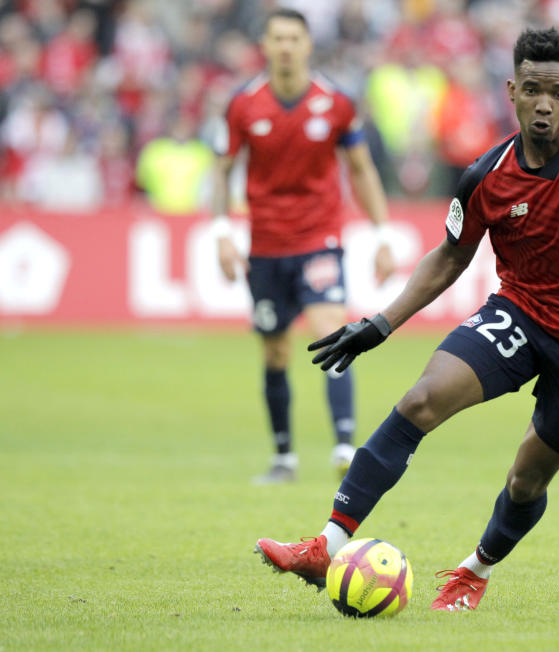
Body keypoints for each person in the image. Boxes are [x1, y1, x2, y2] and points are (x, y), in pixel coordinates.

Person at [254, 27, 559, 610]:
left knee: (528, 479)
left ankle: (474, 571)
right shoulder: (486, 176)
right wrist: (380, 323)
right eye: (533, 90)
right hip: (520, 315)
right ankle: (328, 543)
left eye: (558, 91)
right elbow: (451, 255)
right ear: (512, 91)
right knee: (421, 399)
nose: (544, 104)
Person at [212, 9, 394, 483]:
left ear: (308, 45)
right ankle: (284, 458)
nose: (287, 46)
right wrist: (222, 234)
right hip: (267, 245)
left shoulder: (336, 102)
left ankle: (344, 447)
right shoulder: (243, 105)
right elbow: (222, 169)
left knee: (331, 329)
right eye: (279, 38)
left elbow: (360, 170)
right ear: (266, 46)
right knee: (275, 353)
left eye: (295, 38)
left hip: (320, 239)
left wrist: (381, 235)